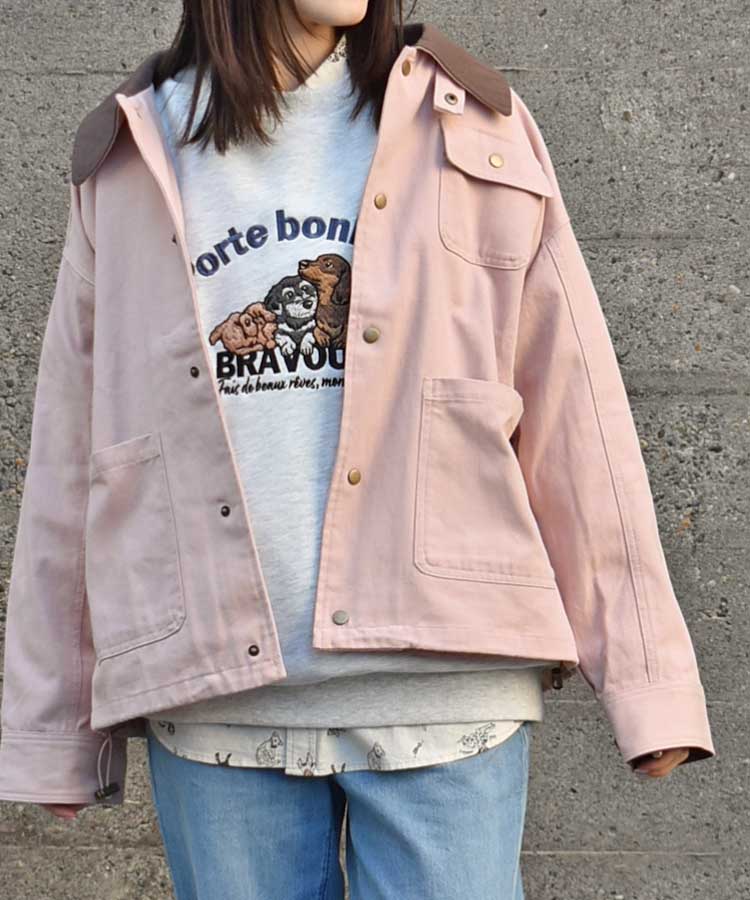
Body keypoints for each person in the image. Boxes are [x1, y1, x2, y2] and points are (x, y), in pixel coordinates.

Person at [0, 1, 714, 898]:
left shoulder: (472, 127)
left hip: (446, 697)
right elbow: (75, 446)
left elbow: (576, 414)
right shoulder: (134, 151)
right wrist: (51, 728)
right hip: (217, 705)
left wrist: (648, 679)